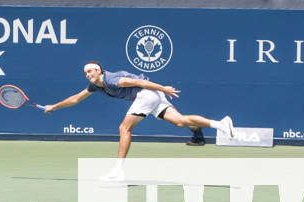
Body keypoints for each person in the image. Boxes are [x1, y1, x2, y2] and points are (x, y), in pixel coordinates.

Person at [44, 62, 235, 181]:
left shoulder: (112, 80)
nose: (87, 74)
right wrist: (54, 106)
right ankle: (221, 124)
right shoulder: (96, 86)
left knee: (124, 128)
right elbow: (75, 99)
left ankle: (118, 170)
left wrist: (164, 88)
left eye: (90, 71)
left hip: (147, 94)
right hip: (152, 96)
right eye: (85, 73)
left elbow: (141, 83)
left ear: (99, 70)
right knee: (181, 121)